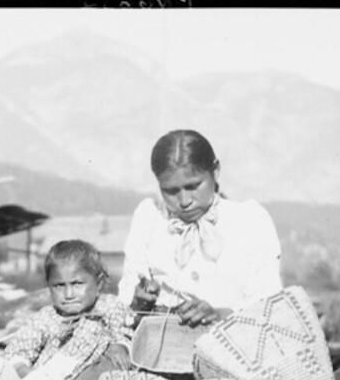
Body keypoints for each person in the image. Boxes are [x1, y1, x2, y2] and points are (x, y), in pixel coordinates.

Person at [118, 129, 283, 326]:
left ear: (216, 171)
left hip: (233, 348)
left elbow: (268, 305)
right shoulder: (149, 218)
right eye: (171, 191)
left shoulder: (250, 220)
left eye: (193, 186)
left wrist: (220, 314)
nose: (184, 201)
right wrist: (139, 301)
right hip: (164, 348)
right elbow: (126, 298)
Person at [4, 240, 132, 380]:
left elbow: (123, 328)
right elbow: (21, 346)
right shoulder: (48, 316)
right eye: (59, 286)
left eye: (77, 284)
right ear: (49, 286)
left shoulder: (108, 306)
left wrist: (120, 345)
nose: (69, 294)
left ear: (99, 283)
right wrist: (22, 369)